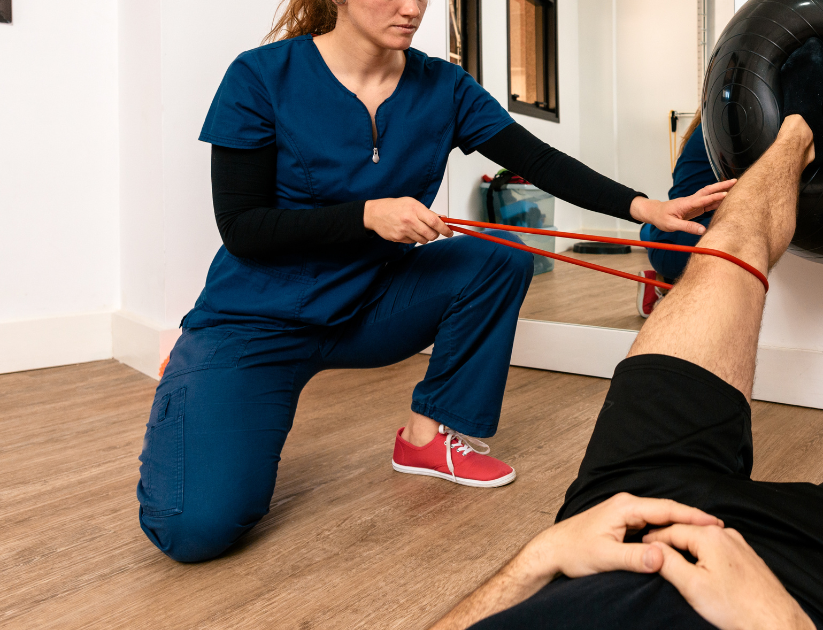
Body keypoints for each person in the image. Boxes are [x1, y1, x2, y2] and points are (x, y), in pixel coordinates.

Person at [136, 0, 736, 563]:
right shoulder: (260, 76)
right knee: (193, 529)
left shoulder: (444, 86)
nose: (414, 8)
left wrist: (643, 207)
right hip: (255, 321)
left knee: (499, 258)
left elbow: (538, 160)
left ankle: (427, 437)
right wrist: (367, 216)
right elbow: (242, 228)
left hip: (366, 308)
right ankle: (199, 376)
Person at [428, 39, 823, 630]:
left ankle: (800, 131)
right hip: (793, 596)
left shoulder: (441, 86)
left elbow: (540, 159)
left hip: (621, 527)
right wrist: (773, 617)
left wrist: (538, 558)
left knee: (730, 244)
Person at [637, 113, 720, 317]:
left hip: (665, 238)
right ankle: (666, 282)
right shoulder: (720, 127)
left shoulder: (702, 127)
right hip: (678, 250)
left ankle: (661, 279)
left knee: (648, 231)